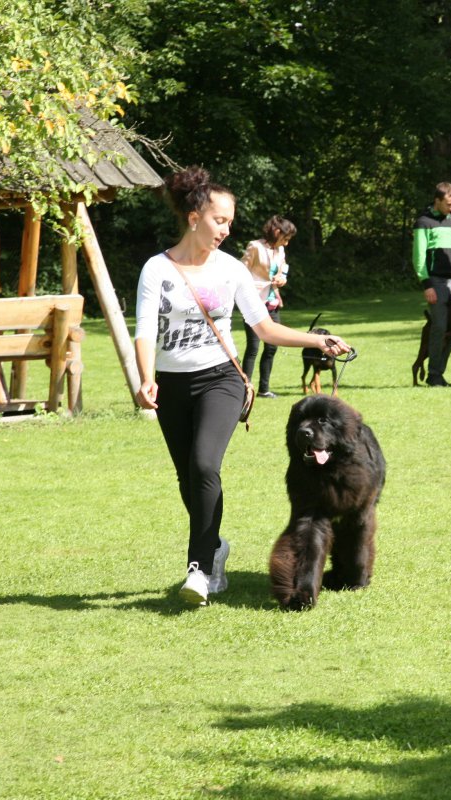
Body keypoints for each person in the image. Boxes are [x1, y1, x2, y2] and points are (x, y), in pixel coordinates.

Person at [134, 166, 351, 606]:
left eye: (230, 221)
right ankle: (215, 549)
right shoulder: (157, 269)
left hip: (222, 379)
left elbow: (265, 328)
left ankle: (198, 568)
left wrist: (318, 339)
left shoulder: (231, 269)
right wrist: (145, 378)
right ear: (194, 216)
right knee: (188, 478)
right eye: (220, 220)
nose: (226, 229)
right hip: (172, 384)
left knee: (203, 464)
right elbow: (143, 332)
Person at [412, 182, 451, 386]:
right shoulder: (423, 222)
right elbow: (418, 258)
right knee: (440, 327)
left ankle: (439, 373)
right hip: (435, 281)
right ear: (437, 201)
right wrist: (427, 284)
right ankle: (434, 375)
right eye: (448, 204)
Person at [241, 216, 297, 398]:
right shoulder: (255, 246)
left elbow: (283, 269)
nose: (286, 244)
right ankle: (245, 389)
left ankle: (264, 389)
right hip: (254, 302)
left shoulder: (280, 250)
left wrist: (282, 279)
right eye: (286, 238)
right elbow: (241, 271)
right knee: (253, 347)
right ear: (277, 232)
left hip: (272, 302)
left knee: (272, 347)